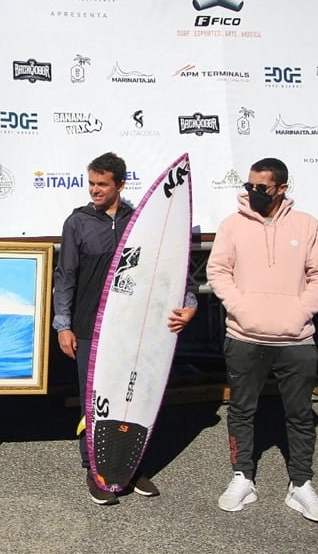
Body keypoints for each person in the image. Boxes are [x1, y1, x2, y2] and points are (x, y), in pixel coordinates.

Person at [52, 152, 197, 505]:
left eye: (102, 184)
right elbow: (65, 276)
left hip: (136, 329)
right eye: (91, 183)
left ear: (120, 184)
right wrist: (63, 325)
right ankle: (95, 469)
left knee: (134, 398)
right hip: (89, 329)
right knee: (94, 401)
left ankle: (131, 466)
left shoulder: (142, 222)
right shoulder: (78, 223)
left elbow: (175, 268)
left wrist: (190, 303)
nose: (94, 190)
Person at [206, 157, 318, 523]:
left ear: (281, 188)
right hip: (244, 336)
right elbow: (218, 270)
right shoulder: (232, 225)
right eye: (249, 186)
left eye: (261, 187)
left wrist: (300, 313)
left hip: (296, 340)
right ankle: (242, 477)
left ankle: (301, 484)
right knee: (241, 410)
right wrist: (241, 308)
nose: (253, 192)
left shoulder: (306, 225)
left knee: (300, 414)